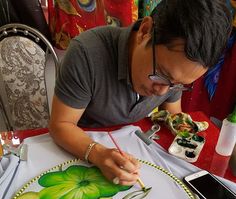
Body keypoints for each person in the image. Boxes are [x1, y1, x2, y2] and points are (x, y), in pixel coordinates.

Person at [49, 0, 232, 186]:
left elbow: (172, 113)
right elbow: (60, 125)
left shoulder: (173, 72)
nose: (162, 90)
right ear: (145, 31)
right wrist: (97, 154)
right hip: (82, 150)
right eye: (161, 74)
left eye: (179, 85)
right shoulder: (86, 53)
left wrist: (183, 130)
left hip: (135, 151)